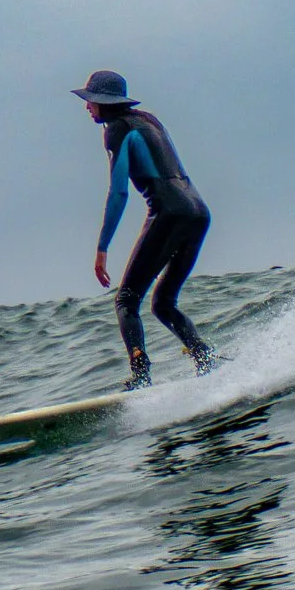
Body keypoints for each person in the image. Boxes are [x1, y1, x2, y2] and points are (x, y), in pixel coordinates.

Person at [74, 69, 216, 389]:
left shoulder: (116, 129)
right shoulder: (148, 120)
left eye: (90, 101)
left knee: (126, 300)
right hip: (198, 211)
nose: (87, 108)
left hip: (168, 213)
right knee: (163, 303)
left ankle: (141, 377)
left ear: (103, 102)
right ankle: (204, 358)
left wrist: (102, 247)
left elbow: (119, 193)